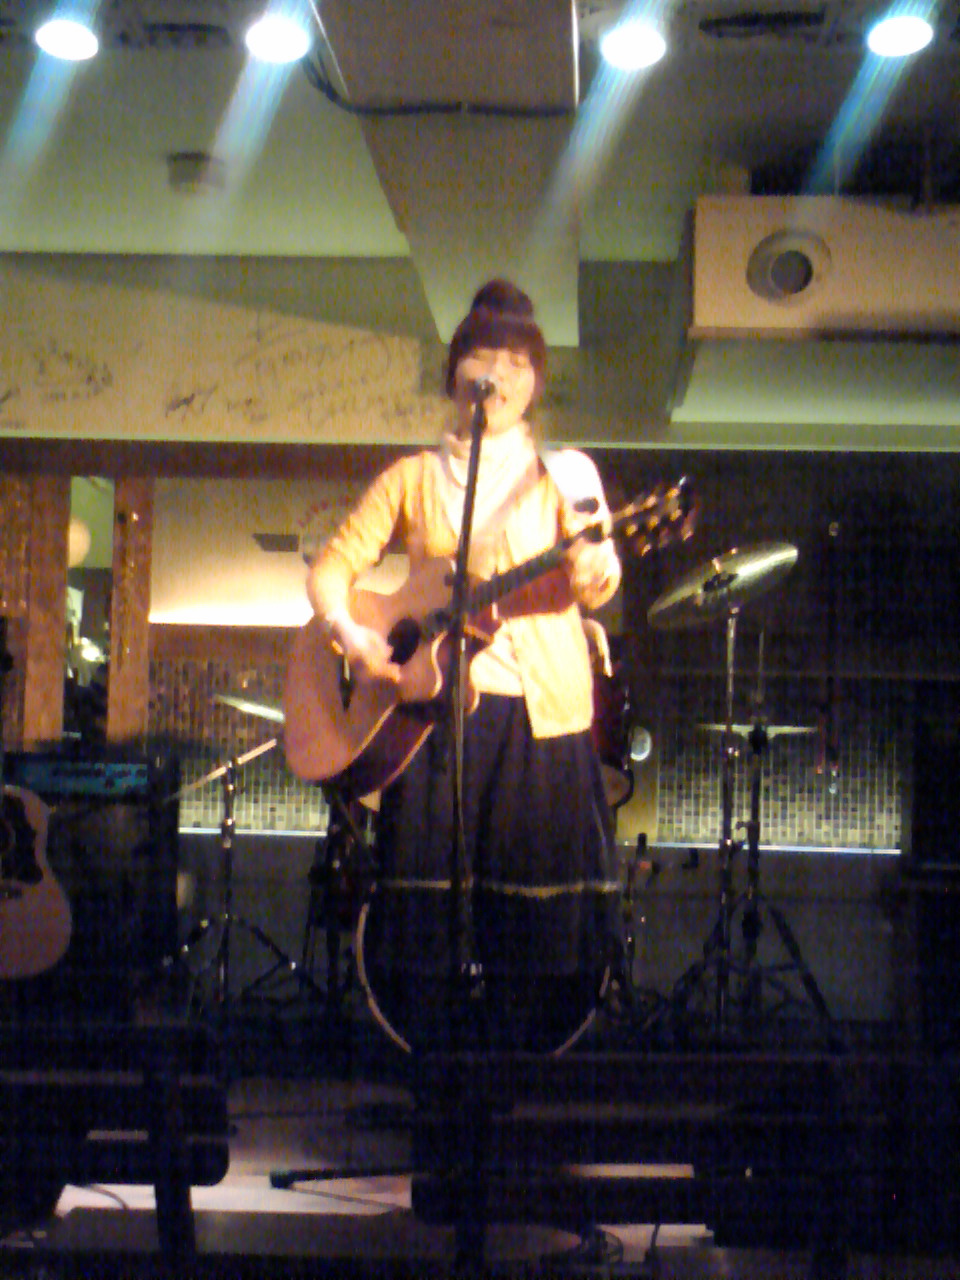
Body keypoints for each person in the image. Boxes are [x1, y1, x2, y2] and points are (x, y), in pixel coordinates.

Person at [301, 279, 623, 1054]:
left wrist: (593, 553)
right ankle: (437, 1066)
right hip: (431, 709)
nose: (500, 375)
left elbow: (599, 581)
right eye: (485, 357)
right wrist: (355, 638)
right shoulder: (412, 477)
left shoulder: (567, 473)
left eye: (519, 362)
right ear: (455, 374)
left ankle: (519, 1066)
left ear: (536, 381)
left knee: (532, 909)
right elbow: (333, 567)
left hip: (538, 713)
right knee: (428, 906)